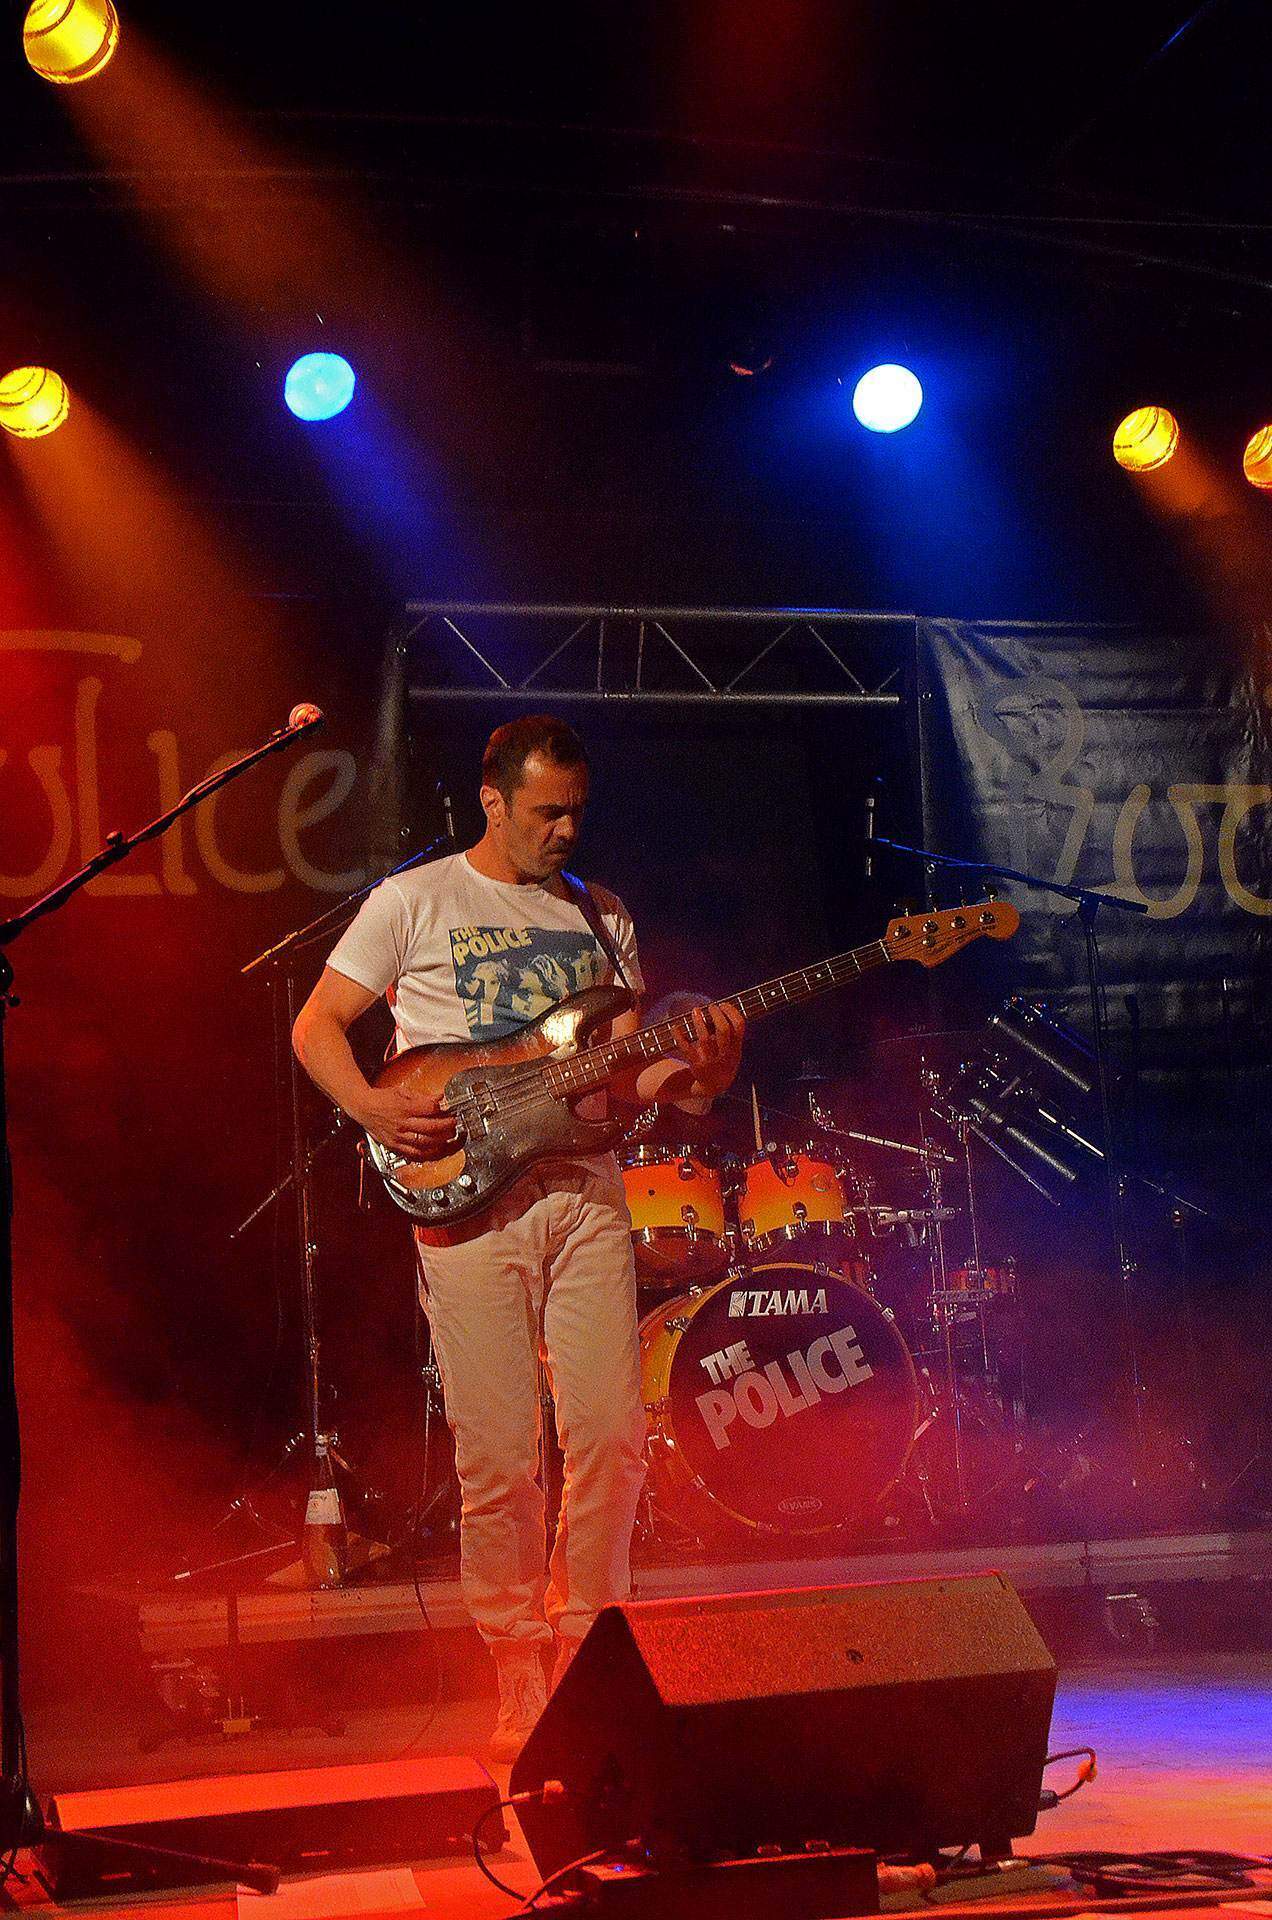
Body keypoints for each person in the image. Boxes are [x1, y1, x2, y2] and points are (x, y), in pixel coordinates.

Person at [292, 715, 745, 1762]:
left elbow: (627, 1073)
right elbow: (317, 1025)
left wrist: (702, 1077)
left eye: (577, 811)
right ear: (492, 801)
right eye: (546, 812)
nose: (565, 830)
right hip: (468, 1203)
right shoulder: (413, 900)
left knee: (612, 1437)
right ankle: (518, 1669)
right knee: (500, 1456)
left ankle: (590, 1652)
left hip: (584, 1191)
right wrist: (370, 1105)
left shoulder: (602, 915)